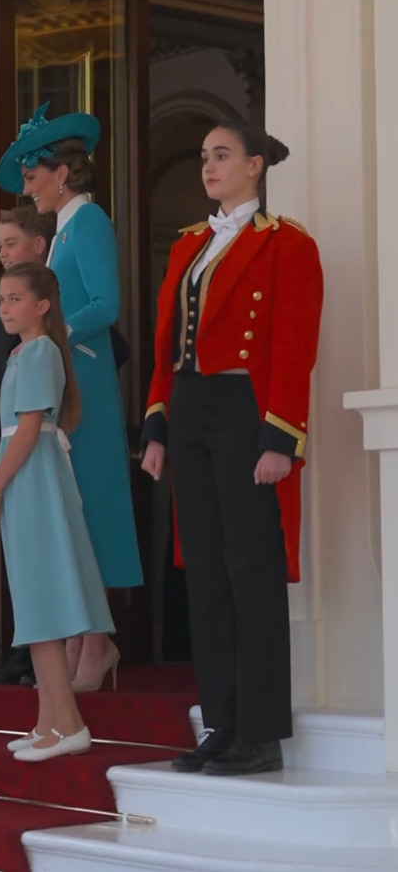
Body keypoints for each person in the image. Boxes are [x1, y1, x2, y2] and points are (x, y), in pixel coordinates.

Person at [141, 119, 323, 776]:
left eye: (221, 155)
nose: (208, 167)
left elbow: (294, 345)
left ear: (255, 165)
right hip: (190, 409)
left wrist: (280, 435)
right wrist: (157, 422)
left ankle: (261, 732)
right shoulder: (191, 244)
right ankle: (221, 723)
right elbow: (168, 342)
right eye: (203, 156)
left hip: (246, 410)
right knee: (207, 573)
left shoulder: (287, 244)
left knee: (252, 570)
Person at [0, 103, 143, 692]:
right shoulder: (62, 232)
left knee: (94, 507)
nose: (27, 190)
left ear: (60, 172)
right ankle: (88, 636)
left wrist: (49, 332)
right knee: (74, 509)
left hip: (89, 385)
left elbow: (106, 306)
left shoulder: (89, 222)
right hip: (67, 381)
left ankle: (96, 640)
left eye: (32, 178)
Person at [0, 262, 115, 761]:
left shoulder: (39, 352)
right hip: (28, 477)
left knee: (42, 597)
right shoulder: (24, 353)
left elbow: (29, 430)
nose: (5, 308)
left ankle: (69, 724)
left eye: (15, 299)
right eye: (1, 300)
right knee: (33, 598)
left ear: (42, 306)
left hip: (32, 476)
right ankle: (49, 720)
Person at [0, 205, 57, 687]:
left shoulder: (41, 345)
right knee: (26, 571)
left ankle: (51, 684)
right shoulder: (19, 337)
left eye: (11, 243)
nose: (2, 253)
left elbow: (30, 427)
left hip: (33, 462)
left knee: (42, 570)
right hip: (14, 453)